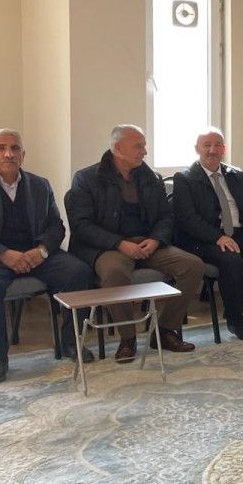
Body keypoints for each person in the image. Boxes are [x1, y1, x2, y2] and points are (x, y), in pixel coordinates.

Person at [65, 124, 204, 361]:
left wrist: (156, 239)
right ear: (118, 149)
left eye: (144, 145)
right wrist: (119, 243)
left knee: (193, 265)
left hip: (148, 243)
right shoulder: (86, 178)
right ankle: (127, 338)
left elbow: (166, 216)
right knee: (114, 273)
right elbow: (81, 225)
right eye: (138, 146)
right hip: (108, 246)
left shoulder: (151, 177)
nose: (144, 151)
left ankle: (164, 331)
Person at [0, 129, 94, 382]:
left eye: (15, 148)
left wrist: (42, 250)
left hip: (35, 253)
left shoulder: (40, 185)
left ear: (23, 154)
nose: (9, 153)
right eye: (1, 148)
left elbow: (55, 226)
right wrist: (3, 254)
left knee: (78, 271)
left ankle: (71, 342)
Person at [172, 128, 243, 341]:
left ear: (224, 149)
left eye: (218, 145)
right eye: (207, 145)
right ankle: (235, 321)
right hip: (204, 238)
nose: (213, 150)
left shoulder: (235, 174)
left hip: (240, 233)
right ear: (197, 149)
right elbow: (187, 219)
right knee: (230, 259)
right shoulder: (184, 178)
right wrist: (217, 237)